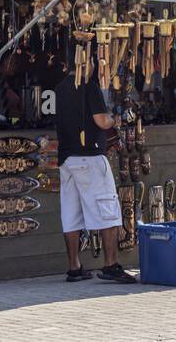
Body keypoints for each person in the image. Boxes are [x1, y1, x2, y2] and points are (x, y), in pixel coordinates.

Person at [55, 57, 137, 284]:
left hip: (67, 158)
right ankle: (110, 264)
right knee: (107, 207)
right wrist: (116, 118)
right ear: (85, 63)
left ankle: (74, 266)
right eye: (92, 62)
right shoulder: (88, 86)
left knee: (71, 213)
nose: (95, 67)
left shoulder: (61, 87)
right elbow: (101, 121)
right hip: (89, 156)